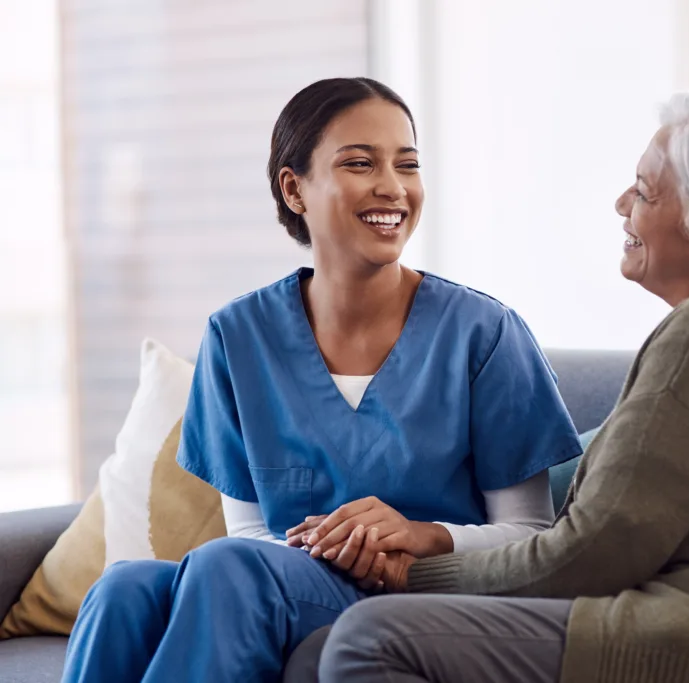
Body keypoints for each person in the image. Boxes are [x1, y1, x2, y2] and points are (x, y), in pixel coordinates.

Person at [315, 78, 689, 683]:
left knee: (370, 637)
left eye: (646, 192)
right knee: (319, 651)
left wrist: (411, 575)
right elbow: (612, 505)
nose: (622, 204)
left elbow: (591, 554)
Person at [59, 77, 582, 683]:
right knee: (124, 588)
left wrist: (421, 536)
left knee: (231, 568)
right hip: (281, 582)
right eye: (360, 163)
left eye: (407, 164)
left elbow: (531, 536)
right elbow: (252, 535)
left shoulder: (484, 332)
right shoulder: (237, 336)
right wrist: (327, 547)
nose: (392, 186)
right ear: (294, 188)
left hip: (423, 598)